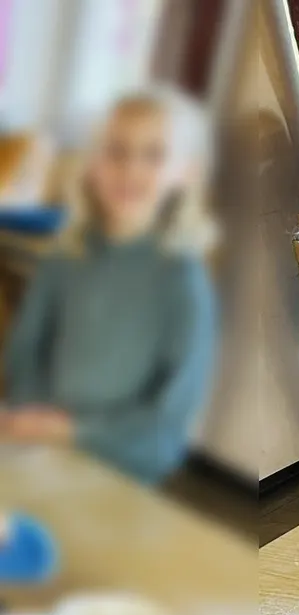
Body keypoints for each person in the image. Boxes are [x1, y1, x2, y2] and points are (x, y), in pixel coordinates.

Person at [2, 87, 218, 484]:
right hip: (38, 448)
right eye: (116, 151)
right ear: (92, 163)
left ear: (183, 173)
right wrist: (34, 419)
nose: (130, 169)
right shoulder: (65, 255)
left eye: (153, 155)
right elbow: (27, 349)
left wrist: (73, 433)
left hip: (125, 469)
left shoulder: (182, 280)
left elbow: (168, 420)